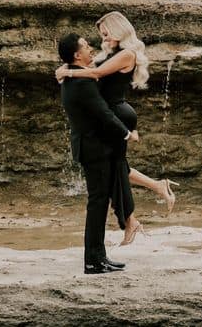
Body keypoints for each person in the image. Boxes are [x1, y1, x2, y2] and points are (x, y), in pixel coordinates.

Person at [56, 11, 179, 241]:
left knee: (115, 170)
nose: (103, 39)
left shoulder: (127, 54)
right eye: (101, 35)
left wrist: (65, 72)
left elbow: (96, 73)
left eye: (106, 34)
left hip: (118, 115)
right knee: (116, 170)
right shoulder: (113, 52)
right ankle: (148, 200)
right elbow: (90, 65)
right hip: (113, 114)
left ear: (118, 31)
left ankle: (133, 219)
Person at [58, 33, 139, 274]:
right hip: (94, 149)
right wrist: (127, 134)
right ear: (76, 54)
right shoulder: (82, 83)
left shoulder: (72, 79)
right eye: (85, 46)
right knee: (97, 204)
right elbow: (104, 113)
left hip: (90, 147)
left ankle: (98, 257)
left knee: (99, 202)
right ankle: (93, 261)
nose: (90, 48)